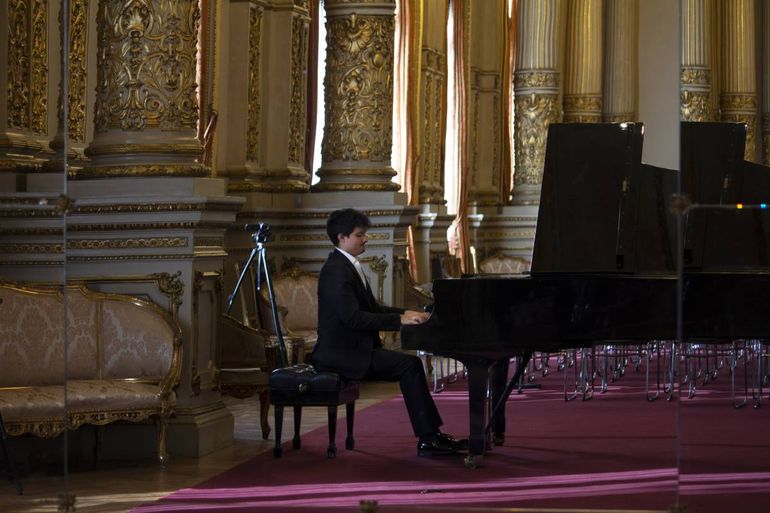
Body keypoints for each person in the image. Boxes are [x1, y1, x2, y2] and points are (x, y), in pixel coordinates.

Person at [311, 208, 463, 456]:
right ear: (342, 237)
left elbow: (372, 308)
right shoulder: (335, 271)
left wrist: (408, 312)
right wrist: (400, 319)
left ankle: (431, 436)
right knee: (410, 366)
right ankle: (428, 438)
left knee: (410, 365)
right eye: (360, 235)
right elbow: (353, 319)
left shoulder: (348, 266)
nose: (366, 239)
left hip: (353, 349)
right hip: (340, 354)